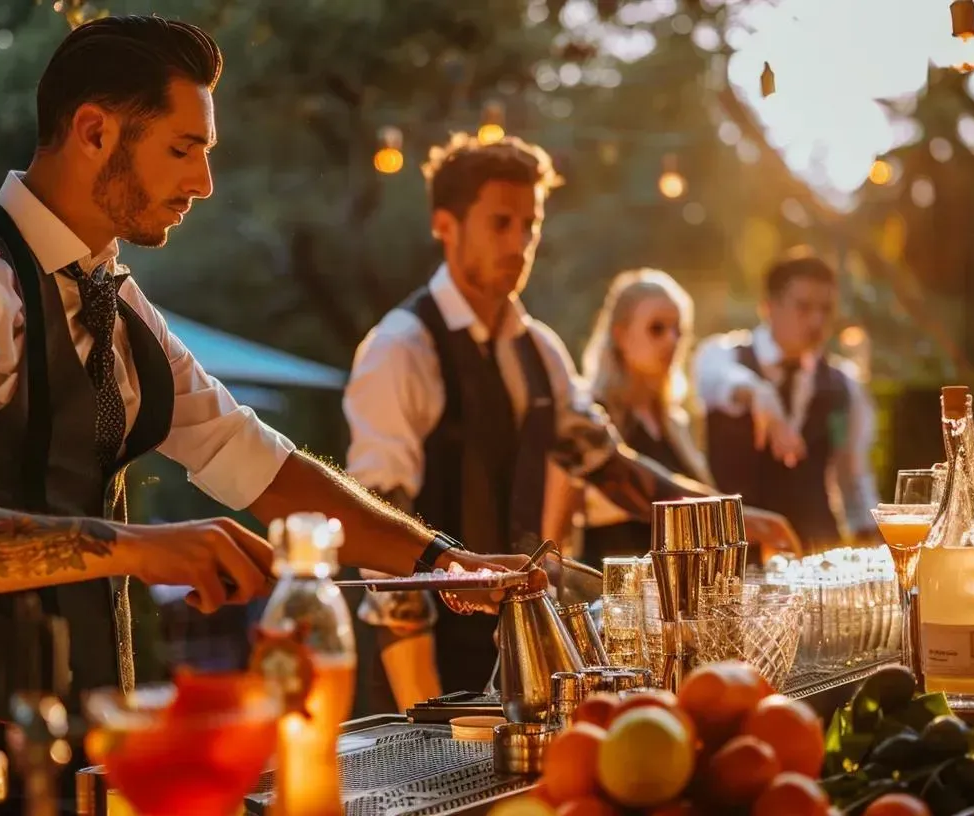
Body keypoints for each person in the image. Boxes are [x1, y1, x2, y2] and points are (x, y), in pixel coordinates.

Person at [0, 16, 529, 781]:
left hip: (97, 758)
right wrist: (142, 548)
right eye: (183, 149)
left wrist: (441, 561)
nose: (203, 183)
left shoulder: (120, 307)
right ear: (93, 130)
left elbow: (261, 464)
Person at [343, 135, 800, 711]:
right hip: (424, 671)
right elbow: (383, 529)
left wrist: (722, 514)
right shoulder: (401, 348)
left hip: (524, 659)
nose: (519, 243)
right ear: (445, 226)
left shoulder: (541, 349)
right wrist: (421, 710)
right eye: (500, 223)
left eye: (529, 226)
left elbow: (609, 467)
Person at [694, 248, 880, 552]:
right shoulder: (722, 355)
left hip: (816, 550)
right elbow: (717, 380)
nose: (816, 320)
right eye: (803, 307)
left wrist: (871, 534)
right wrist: (760, 394)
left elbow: (854, 474)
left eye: (826, 309)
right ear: (768, 307)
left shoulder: (844, 384)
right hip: (734, 549)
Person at [577, 269, 717, 564]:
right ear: (620, 334)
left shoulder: (673, 421)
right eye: (657, 328)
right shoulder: (592, 413)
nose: (672, 340)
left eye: (679, 330)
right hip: (614, 595)